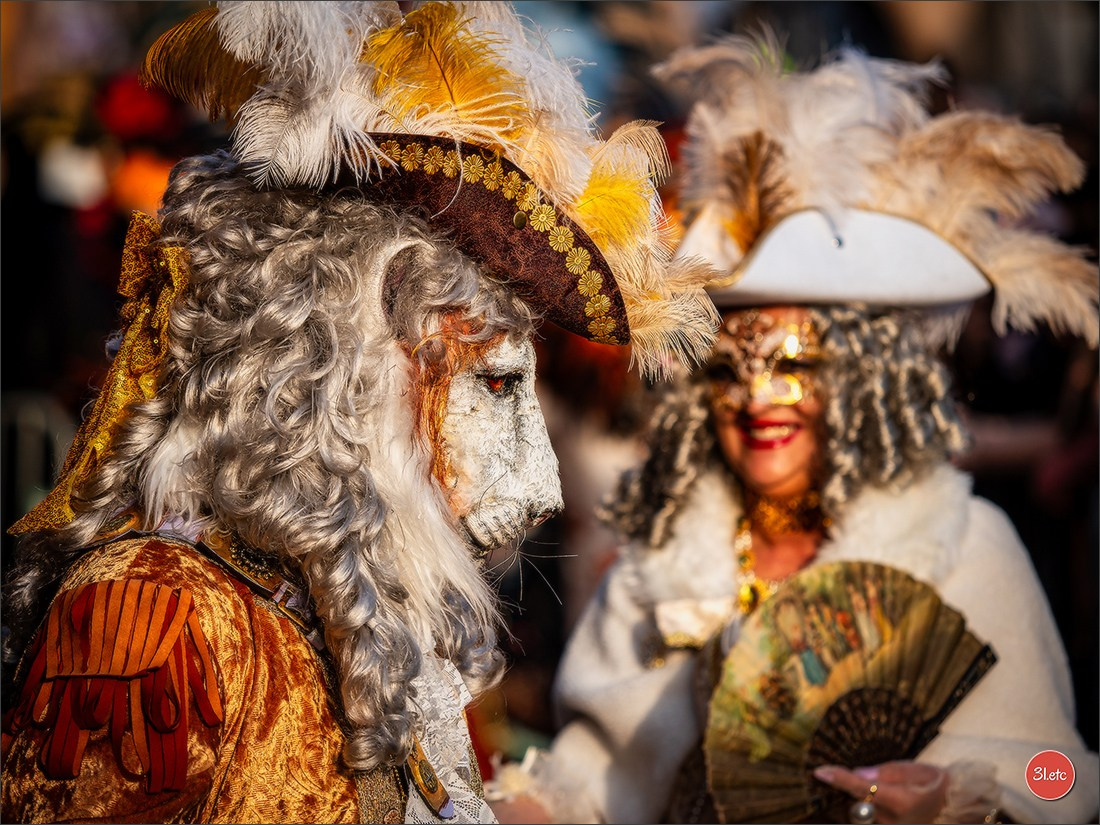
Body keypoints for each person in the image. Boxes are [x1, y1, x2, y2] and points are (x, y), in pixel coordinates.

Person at [0, 3, 719, 823]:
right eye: (491, 387)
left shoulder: (376, 616)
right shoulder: (157, 619)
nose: (541, 484)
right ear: (355, 374)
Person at [488, 31, 1099, 824]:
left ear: (862, 381)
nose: (759, 396)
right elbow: (591, 782)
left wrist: (957, 799)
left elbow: (1062, 773)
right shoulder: (660, 566)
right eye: (730, 368)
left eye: (795, 365)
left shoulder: (966, 548)